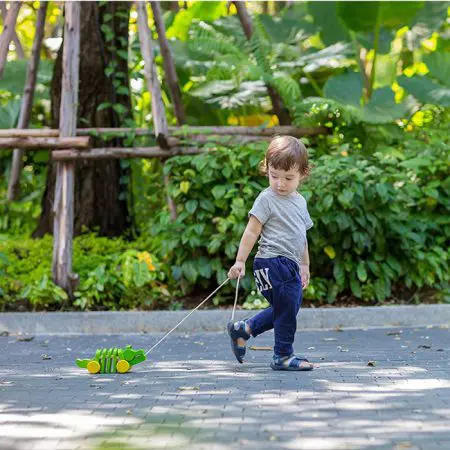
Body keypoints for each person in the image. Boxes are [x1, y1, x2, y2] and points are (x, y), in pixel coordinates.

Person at [227, 135, 314, 371]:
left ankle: (244, 329)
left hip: (291, 264)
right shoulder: (266, 199)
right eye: (274, 176)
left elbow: (301, 237)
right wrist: (240, 261)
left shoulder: (300, 202)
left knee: (287, 308)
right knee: (287, 311)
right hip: (272, 262)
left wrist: (304, 265)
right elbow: (251, 230)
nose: (280, 183)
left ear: (302, 174)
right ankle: (283, 355)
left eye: (288, 178)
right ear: (267, 169)